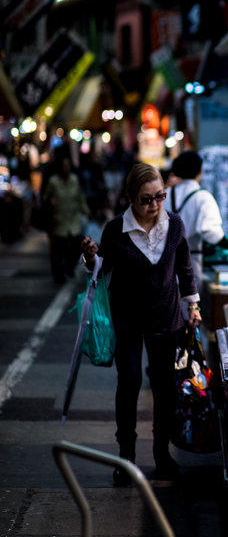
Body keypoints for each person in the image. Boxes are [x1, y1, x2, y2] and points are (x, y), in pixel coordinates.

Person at [81, 163, 199, 485]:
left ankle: (162, 452)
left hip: (165, 314)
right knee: (130, 380)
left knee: (164, 386)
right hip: (128, 315)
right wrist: (91, 258)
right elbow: (101, 267)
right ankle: (127, 456)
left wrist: (194, 304)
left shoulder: (174, 224)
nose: (155, 205)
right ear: (131, 198)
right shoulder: (115, 229)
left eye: (160, 196)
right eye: (147, 199)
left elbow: (184, 265)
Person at [166, 150, 228, 311]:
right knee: (189, 317)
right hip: (189, 265)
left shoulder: (165, 195)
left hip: (163, 264)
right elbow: (211, 233)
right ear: (200, 172)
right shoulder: (202, 197)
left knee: (167, 319)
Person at [45, 153, 90, 284]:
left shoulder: (74, 180)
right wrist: (50, 202)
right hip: (59, 220)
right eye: (64, 165)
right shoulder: (53, 182)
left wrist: (86, 211)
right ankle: (58, 274)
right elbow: (45, 197)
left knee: (77, 245)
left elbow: (81, 197)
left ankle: (69, 267)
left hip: (73, 218)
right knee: (58, 249)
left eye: (68, 165)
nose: (66, 168)